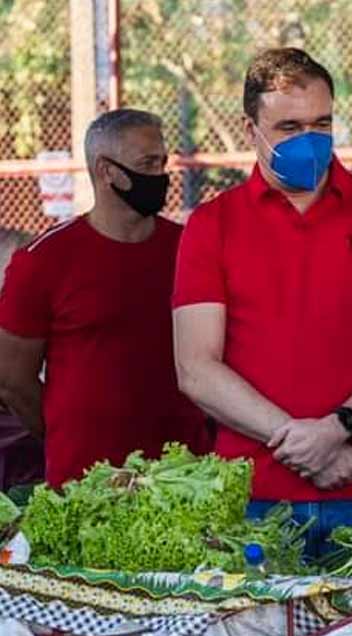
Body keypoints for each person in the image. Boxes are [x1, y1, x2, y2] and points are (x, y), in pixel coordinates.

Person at [172, 48, 352, 556]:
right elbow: (195, 368)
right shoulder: (211, 226)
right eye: (289, 127)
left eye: (321, 123)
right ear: (251, 131)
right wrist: (311, 446)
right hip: (250, 501)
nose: (309, 139)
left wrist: (340, 426)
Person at [0, 109, 206, 487]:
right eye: (147, 164)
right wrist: (67, 437)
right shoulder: (43, 260)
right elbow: (12, 379)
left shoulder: (190, 248)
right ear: (106, 170)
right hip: (87, 480)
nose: (160, 175)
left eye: (162, 162)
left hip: (184, 473)